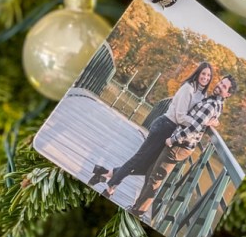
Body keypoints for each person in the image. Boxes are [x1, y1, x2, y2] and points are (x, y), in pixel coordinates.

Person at [88, 61, 212, 197]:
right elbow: (180, 116)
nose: (205, 77)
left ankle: (106, 173)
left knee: (147, 167)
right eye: (203, 73)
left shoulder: (203, 96)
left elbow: (203, 113)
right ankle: (110, 188)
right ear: (198, 73)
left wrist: (209, 121)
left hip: (172, 132)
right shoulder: (188, 88)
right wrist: (200, 124)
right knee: (138, 159)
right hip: (165, 125)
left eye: (208, 75)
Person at [128, 74, 237, 218]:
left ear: (228, 94)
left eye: (224, 86)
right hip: (181, 143)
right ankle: (137, 207)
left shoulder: (212, 104)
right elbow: (205, 121)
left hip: (180, 144)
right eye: (221, 82)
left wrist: (173, 140)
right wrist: (215, 121)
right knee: (152, 172)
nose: (219, 85)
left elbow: (194, 127)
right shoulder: (216, 102)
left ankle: (136, 213)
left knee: (155, 178)